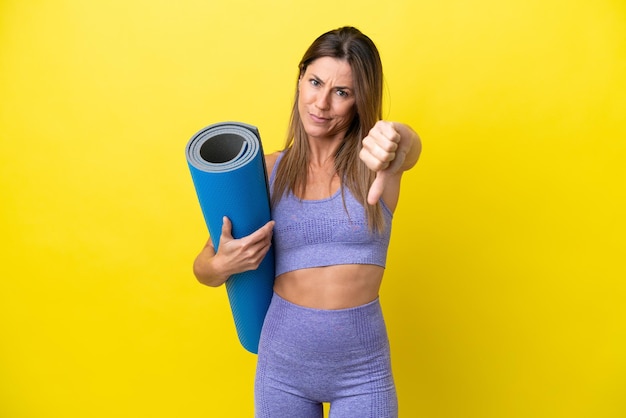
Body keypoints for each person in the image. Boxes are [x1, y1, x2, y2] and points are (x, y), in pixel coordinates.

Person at [193, 26, 421, 418]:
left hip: (363, 372)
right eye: (315, 82)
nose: (322, 103)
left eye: (342, 93)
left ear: (359, 103)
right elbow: (204, 268)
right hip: (283, 370)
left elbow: (408, 148)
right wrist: (220, 265)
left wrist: (396, 138)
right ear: (300, 80)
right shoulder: (263, 174)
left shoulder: (376, 168)